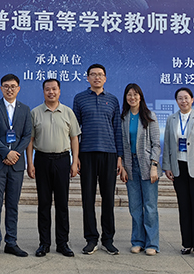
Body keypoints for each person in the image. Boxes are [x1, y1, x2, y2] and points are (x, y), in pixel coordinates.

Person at [72, 63, 123, 255]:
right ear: (87, 78)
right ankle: (91, 238)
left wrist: (119, 157)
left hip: (109, 154)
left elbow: (117, 129)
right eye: (93, 74)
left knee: (108, 199)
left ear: (105, 78)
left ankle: (108, 239)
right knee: (88, 198)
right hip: (87, 153)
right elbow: (75, 131)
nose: (97, 77)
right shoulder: (80, 99)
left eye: (100, 74)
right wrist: (75, 157)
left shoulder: (113, 100)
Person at [26, 78, 80, 257]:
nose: (51, 92)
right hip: (42, 160)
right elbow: (30, 140)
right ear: (43, 92)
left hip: (62, 160)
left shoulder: (68, 112)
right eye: (48, 89)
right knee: (44, 204)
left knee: (62, 204)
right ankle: (44, 243)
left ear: (59, 91)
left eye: (54, 89)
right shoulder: (35, 113)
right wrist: (30, 163)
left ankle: (63, 243)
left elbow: (74, 138)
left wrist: (75, 161)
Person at [0, 74, 32, 259]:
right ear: (1, 88)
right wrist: (6, 153)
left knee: (13, 205)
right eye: (6, 86)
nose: (9, 89)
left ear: (18, 88)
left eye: (13, 86)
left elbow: (27, 136)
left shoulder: (25, 109)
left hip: (16, 165)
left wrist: (15, 154)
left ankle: (11, 242)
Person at [162, 87, 194, 259]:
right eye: (180, 98)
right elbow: (167, 144)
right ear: (176, 101)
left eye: (186, 98)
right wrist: (167, 166)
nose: (183, 101)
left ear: (192, 99)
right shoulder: (171, 119)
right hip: (178, 168)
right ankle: (186, 243)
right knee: (184, 207)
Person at [119, 83, 161, 255]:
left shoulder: (149, 116)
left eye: (135, 94)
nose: (132, 97)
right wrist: (122, 166)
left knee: (150, 206)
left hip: (147, 165)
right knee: (135, 207)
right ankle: (137, 241)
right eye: (129, 94)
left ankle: (152, 243)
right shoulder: (123, 117)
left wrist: (154, 166)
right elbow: (121, 144)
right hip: (130, 165)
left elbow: (156, 144)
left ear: (141, 97)